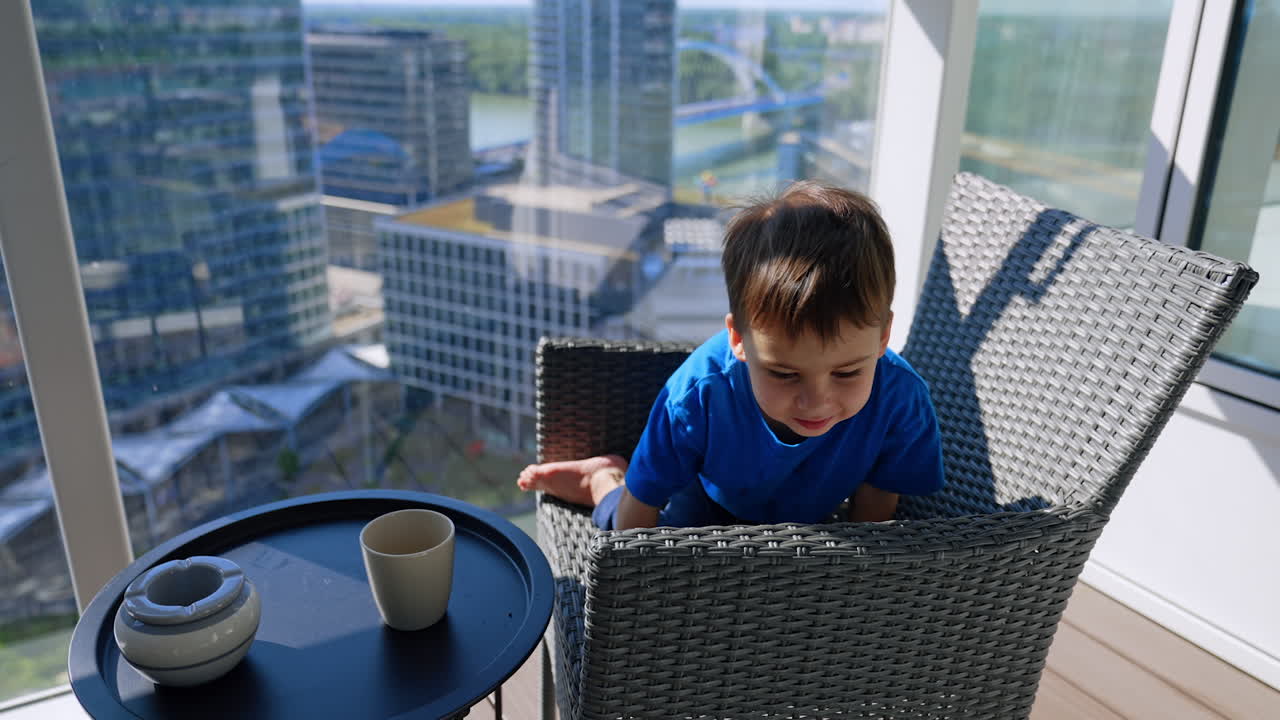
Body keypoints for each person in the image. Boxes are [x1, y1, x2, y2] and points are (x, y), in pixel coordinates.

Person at [516, 181, 945, 530]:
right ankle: (602, 480)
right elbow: (642, 505)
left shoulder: (901, 398)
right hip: (708, 503)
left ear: (883, 336)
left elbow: (877, 500)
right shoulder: (699, 393)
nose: (817, 401)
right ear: (738, 339)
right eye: (784, 374)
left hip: (814, 522)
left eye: (848, 372)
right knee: (626, 523)